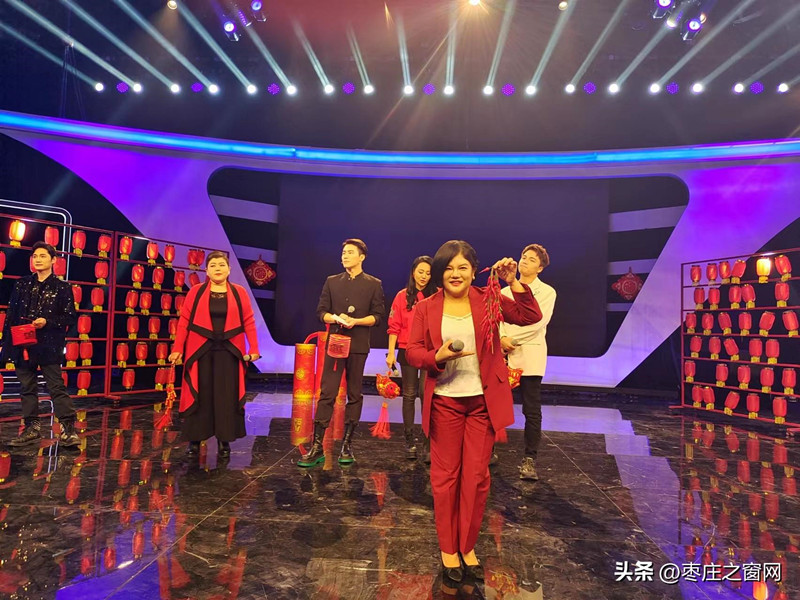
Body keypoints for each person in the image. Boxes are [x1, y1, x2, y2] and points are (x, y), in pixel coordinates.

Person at [405, 240, 541, 583]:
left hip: (482, 404)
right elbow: (413, 351)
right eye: (449, 268)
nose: (456, 274)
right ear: (440, 272)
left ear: (474, 271)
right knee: (445, 478)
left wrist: (513, 282)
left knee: (477, 478)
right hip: (445, 403)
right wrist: (436, 357)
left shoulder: (488, 299)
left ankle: (467, 547)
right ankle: (448, 550)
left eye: (463, 267)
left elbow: (529, 316)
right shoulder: (426, 307)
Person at [298, 239, 385, 467]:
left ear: (362, 257)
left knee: (354, 393)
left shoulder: (374, 284)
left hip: (358, 345)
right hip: (336, 343)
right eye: (343, 252)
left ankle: (347, 444)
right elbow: (321, 312)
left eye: (349, 252)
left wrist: (356, 321)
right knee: (327, 391)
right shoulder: (332, 281)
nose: (344, 256)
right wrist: (335, 318)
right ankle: (317, 446)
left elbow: (377, 317)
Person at [169, 251, 260, 458]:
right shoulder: (196, 292)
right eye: (213, 265)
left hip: (229, 350)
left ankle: (224, 440)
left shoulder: (239, 292)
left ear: (229, 269)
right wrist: (177, 349)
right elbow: (184, 322)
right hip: (200, 349)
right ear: (206, 270)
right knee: (200, 393)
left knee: (225, 394)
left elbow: (248, 321)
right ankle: (194, 440)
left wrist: (254, 349)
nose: (218, 268)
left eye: (221, 265)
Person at [2, 242, 80, 447]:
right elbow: (11, 315)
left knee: (56, 386)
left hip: (49, 344)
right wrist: (5, 342)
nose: (38, 259)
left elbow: (70, 317)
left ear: (53, 260)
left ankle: (68, 429)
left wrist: (48, 322)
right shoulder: (22, 284)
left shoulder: (62, 287)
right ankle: (31, 428)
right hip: (23, 343)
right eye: (35, 256)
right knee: (27, 387)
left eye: (43, 256)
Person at [500, 244, 556, 481]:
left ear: (540, 268)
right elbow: (498, 319)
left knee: (531, 409)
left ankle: (529, 459)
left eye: (532, 259)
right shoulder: (505, 291)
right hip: (504, 355)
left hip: (530, 355)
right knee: (495, 405)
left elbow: (536, 323)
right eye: (524, 257)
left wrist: (510, 339)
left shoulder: (547, 292)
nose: (525, 261)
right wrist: (501, 338)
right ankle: (487, 452)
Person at [386, 256, 437, 460]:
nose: (424, 276)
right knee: (408, 394)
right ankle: (409, 440)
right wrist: (391, 353)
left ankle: (427, 441)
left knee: (426, 394)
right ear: (413, 272)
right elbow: (394, 327)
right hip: (407, 350)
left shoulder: (437, 295)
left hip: (428, 351)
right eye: (420, 272)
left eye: (428, 273)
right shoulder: (402, 296)